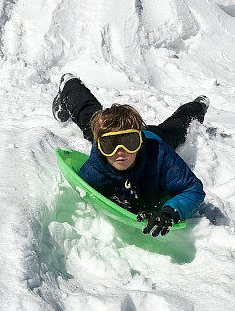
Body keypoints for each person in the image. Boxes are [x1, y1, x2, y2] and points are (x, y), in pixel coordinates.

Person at [52, 74, 208, 237]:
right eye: (111, 145)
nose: (120, 152)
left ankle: (198, 106)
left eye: (129, 142)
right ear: (100, 145)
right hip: (107, 134)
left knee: (176, 129)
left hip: (154, 137)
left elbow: (193, 188)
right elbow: (90, 193)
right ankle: (70, 85)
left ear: (139, 141)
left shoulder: (159, 154)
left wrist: (170, 213)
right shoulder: (96, 166)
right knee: (90, 117)